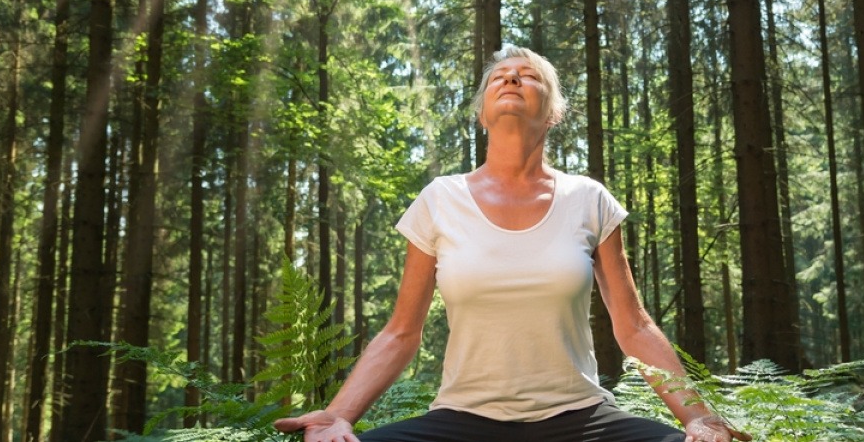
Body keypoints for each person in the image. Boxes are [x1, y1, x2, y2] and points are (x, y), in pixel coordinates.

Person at [274, 46, 752, 442]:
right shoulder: (441, 199)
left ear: (553, 113)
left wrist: (697, 417)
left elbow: (634, 326)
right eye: (500, 77)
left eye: (529, 76)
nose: (512, 79)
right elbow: (402, 332)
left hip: (582, 419)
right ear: (482, 113)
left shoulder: (588, 198)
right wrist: (339, 415)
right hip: (461, 420)